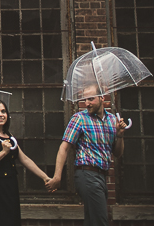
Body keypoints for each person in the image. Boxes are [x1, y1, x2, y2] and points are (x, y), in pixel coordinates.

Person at [44, 86, 128, 226]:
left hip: (102, 176)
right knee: (100, 221)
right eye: (85, 99)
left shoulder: (113, 120)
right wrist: (58, 176)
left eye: (91, 99)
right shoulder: (79, 118)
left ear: (102, 98)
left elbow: (118, 153)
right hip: (86, 174)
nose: (86, 103)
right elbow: (64, 148)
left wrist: (120, 136)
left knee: (92, 220)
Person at [0, 98, 51, 226]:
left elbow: (24, 159)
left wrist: (45, 177)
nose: (1, 115)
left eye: (3, 111)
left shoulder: (8, 135)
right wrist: (3, 152)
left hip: (11, 185)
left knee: (13, 221)